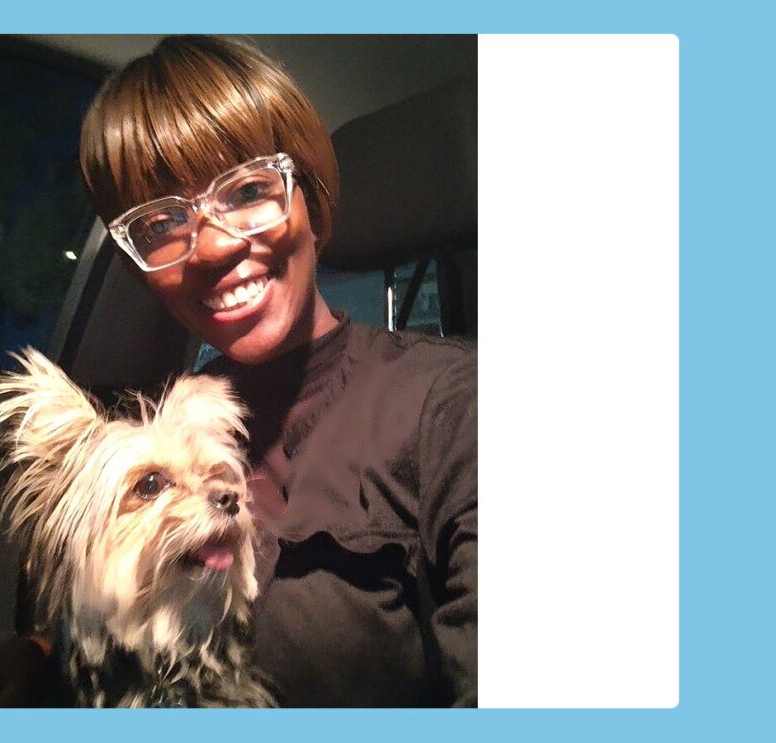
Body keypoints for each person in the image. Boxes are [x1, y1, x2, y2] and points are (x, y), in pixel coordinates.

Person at [74, 35, 477, 707]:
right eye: (162, 223)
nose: (213, 245)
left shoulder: (453, 404)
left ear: (308, 200)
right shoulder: (142, 435)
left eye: (249, 190)